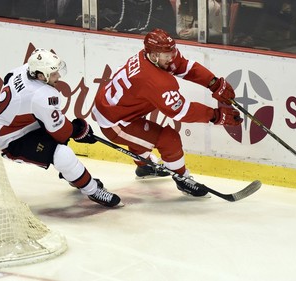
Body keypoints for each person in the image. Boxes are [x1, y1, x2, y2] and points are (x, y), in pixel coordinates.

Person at [92, 28, 242, 197]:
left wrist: (213, 83)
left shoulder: (155, 56)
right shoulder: (153, 80)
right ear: (154, 55)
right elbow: (182, 112)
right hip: (114, 122)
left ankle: (144, 167)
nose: (171, 57)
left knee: (143, 134)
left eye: (172, 51)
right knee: (169, 139)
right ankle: (183, 180)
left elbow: (184, 66)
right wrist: (216, 116)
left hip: (119, 108)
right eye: (166, 55)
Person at [0, 48, 121, 207]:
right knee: (62, 153)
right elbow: (60, 132)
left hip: (20, 124)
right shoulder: (42, 94)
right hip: (11, 140)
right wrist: (79, 131)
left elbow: (8, 79)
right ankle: (93, 191)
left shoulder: (24, 70)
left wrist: (75, 130)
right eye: (54, 73)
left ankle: (75, 178)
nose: (59, 76)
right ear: (41, 76)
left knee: (59, 146)